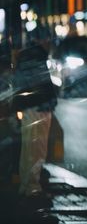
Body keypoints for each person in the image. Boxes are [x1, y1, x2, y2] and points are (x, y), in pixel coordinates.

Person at [13, 25, 57, 198]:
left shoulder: (26, 56)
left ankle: (26, 185)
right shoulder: (36, 56)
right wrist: (50, 100)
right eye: (48, 41)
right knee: (37, 148)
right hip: (39, 107)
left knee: (28, 148)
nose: (49, 45)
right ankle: (32, 187)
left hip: (29, 107)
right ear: (42, 40)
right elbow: (40, 84)